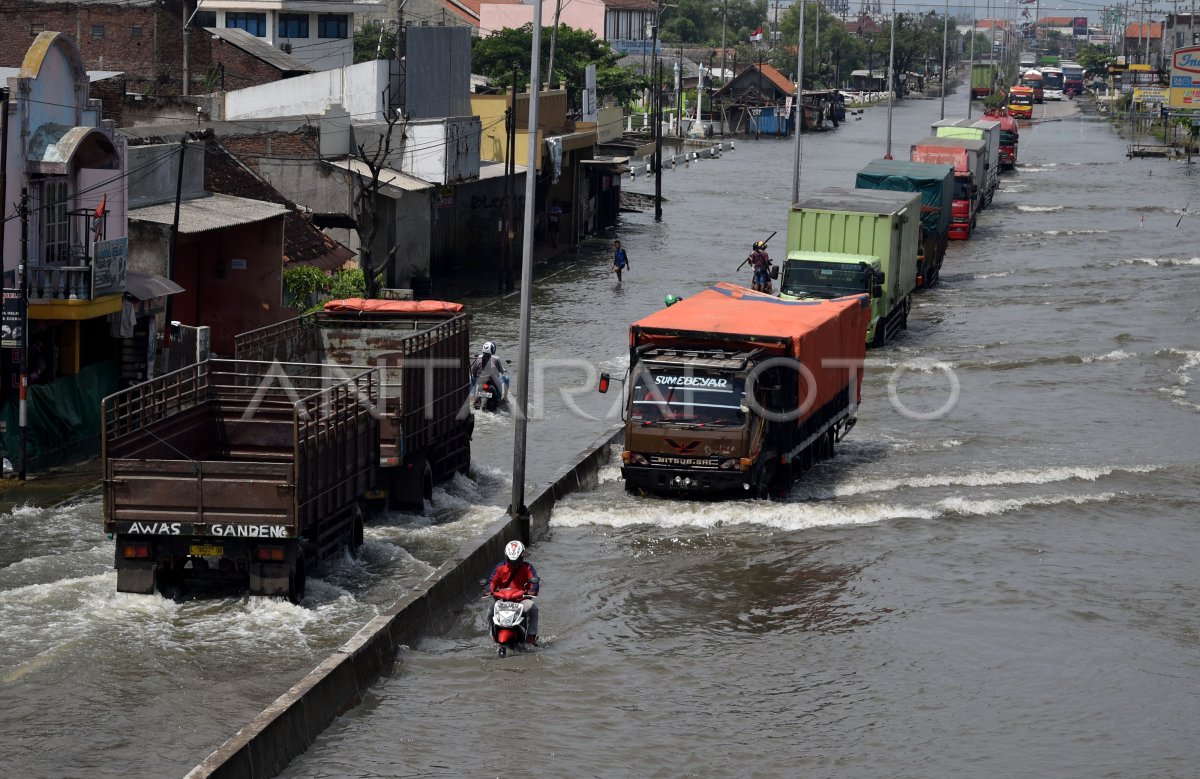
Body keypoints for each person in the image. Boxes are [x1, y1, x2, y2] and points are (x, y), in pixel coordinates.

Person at [487, 540, 540, 645]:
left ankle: (531, 636)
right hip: (502, 600)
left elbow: (534, 582)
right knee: (489, 611)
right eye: (511, 561)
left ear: (522, 556)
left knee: (533, 608)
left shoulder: (528, 567)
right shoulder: (500, 568)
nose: (514, 564)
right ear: (506, 557)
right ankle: (492, 635)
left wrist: (532, 591)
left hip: (521, 600)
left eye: (517, 561)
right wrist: (489, 590)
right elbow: (492, 581)